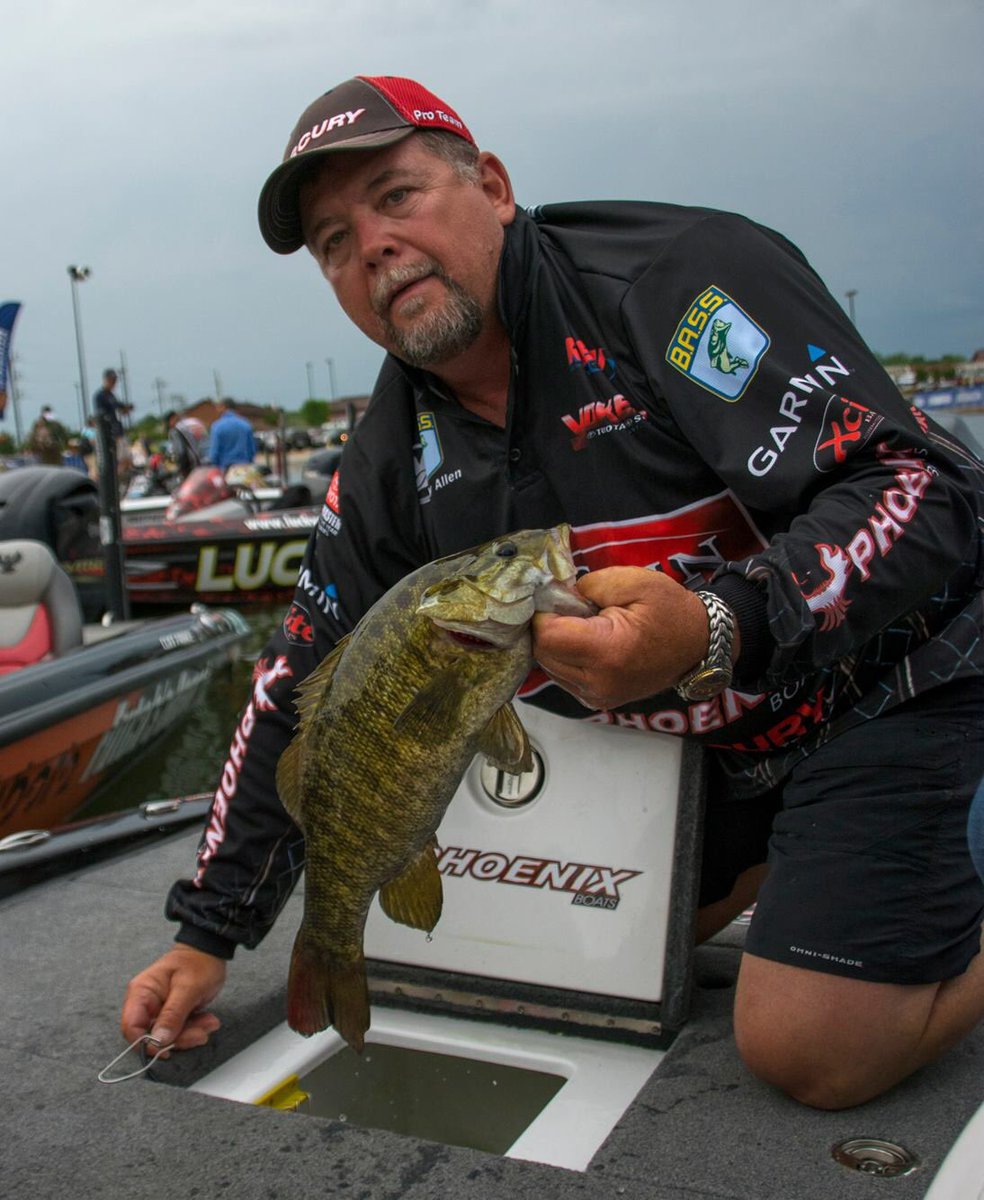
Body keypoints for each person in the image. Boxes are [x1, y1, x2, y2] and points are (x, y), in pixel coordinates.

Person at [121, 75, 984, 1110]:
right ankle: (804, 859)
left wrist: (718, 623)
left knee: (809, 1045)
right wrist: (209, 932)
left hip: (898, 683)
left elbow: (924, 488)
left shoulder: (672, 283)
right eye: (333, 242)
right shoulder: (391, 453)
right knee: (565, 956)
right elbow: (297, 681)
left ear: (492, 186)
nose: (373, 246)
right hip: (719, 753)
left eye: (396, 197)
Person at [92, 368, 133, 479]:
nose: (114, 383)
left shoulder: (111, 395)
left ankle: (116, 479)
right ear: (106, 380)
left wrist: (126, 408)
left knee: (126, 459)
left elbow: (119, 408)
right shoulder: (100, 396)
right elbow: (101, 415)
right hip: (109, 433)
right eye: (112, 380)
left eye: (115, 380)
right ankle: (108, 480)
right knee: (110, 462)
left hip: (117, 431)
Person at [208, 398, 257, 469]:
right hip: (244, 466)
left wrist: (214, 465)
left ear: (223, 407)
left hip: (225, 467)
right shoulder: (246, 424)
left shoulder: (217, 426)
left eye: (218, 407)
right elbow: (252, 450)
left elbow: (214, 452)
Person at [164, 410, 210, 479]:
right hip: (210, 459)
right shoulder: (195, 421)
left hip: (196, 465)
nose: (169, 425)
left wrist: (182, 468)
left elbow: (181, 452)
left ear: (172, 418)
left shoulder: (176, 429)